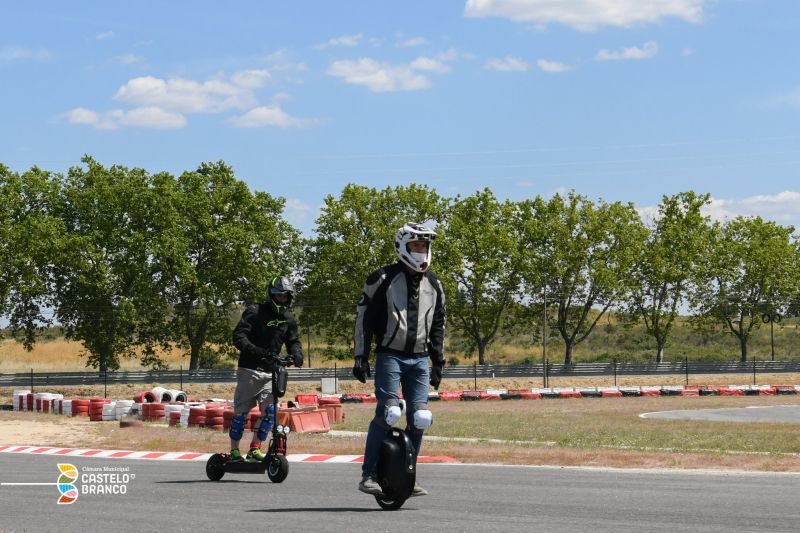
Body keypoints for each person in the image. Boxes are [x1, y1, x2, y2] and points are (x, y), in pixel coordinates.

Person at [353, 222, 446, 497]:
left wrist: (438, 361)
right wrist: (361, 355)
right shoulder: (382, 278)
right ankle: (368, 474)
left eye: (424, 246)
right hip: (390, 355)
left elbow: (439, 324)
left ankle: (407, 477)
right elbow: (364, 317)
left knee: (421, 418)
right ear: (402, 247)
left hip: (419, 360)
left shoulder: (435, 284)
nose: (420, 252)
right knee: (390, 412)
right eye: (415, 246)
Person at [230, 275, 304, 462]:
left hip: (272, 371)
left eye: (285, 296)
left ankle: (255, 448)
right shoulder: (255, 311)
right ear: (271, 295)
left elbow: (293, 341)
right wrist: (258, 351)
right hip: (249, 369)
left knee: (270, 412)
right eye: (278, 296)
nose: (281, 299)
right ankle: (234, 452)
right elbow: (239, 336)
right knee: (241, 414)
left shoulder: (288, 318)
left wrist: (296, 355)